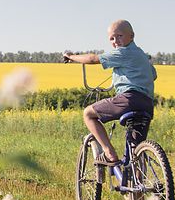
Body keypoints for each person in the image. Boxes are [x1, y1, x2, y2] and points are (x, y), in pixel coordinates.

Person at [62, 19, 156, 165]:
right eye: (111, 38)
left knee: (88, 114)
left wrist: (71, 57)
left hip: (129, 100)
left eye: (119, 36)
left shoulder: (123, 52)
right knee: (136, 148)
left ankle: (108, 152)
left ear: (131, 36)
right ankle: (139, 183)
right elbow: (153, 74)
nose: (115, 41)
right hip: (147, 103)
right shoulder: (141, 55)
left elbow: (93, 59)